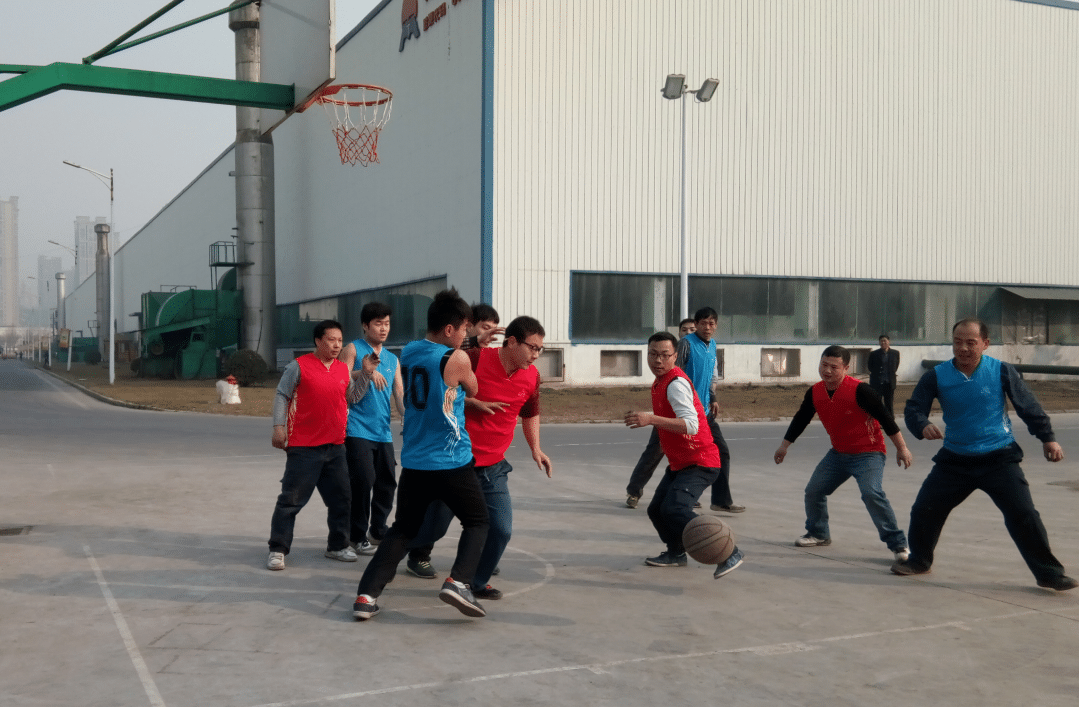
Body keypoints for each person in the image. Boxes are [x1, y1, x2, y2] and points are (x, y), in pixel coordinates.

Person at [893, 319, 1077, 591]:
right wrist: (922, 425)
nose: (963, 348)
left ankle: (1049, 574)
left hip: (999, 458)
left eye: (971, 342)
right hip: (955, 459)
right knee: (925, 510)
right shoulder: (937, 375)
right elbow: (913, 409)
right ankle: (919, 561)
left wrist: (1047, 438)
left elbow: (1028, 406)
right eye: (957, 342)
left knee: (1024, 514)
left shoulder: (1001, 370)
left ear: (985, 344)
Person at [352, 288, 491, 620]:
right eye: (463, 330)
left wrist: (471, 342)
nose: (465, 337)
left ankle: (366, 595)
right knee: (478, 521)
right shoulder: (456, 358)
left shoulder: (410, 350)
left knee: (402, 529)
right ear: (449, 329)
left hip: (416, 462)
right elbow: (474, 387)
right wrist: (470, 352)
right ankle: (459, 581)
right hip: (451, 459)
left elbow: (438, 360)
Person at [406, 316, 553, 599]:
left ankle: (475, 581)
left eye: (540, 349)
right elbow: (440, 390)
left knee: (501, 529)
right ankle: (409, 547)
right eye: (532, 348)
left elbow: (530, 413)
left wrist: (535, 448)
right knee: (434, 527)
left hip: (494, 466)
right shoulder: (475, 358)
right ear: (512, 342)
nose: (536, 355)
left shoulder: (532, 376)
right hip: (457, 462)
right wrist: (472, 403)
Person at [773, 346, 912, 561]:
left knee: (871, 493)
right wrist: (784, 446)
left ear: (846, 368)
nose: (827, 371)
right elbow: (801, 419)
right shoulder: (815, 392)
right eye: (824, 365)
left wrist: (902, 448)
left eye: (834, 367)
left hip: (869, 453)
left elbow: (886, 419)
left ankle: (899, 545)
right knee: (814, 491)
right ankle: (818, 533)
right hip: (838, 454)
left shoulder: (861, 391)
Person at [625, 332, 745, 579]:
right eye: (653, 354)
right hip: (681, 463)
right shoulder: (660, 382)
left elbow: (692, 425)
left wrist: (651, 419)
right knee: (656, 510)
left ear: (675, 356)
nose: (658, 360)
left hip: (700, 462)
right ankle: (676, 553)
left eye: (665, 355)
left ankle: (730, 552)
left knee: (675, 508)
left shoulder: (675, 384)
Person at [266, 320, 355, 571]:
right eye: (331, 340)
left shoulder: (342, 370)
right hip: (304, 447)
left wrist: (367, 375)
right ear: (318, 341)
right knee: (291, 501)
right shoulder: (299, 366)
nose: (337, 345)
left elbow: (351, 397)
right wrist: (278, 427)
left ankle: (338, 546)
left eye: (340, 340)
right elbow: (282, 395)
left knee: (341, 499)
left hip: (335, 446)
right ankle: (277, 549)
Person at [339, 302, 405, 555]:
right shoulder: (353, 349)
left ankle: (377, 530)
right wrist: (364, 373)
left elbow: (399, 393)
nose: (384, 328)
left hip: (382, 432)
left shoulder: (392, 359)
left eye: (387, 323)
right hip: (356, 428)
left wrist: (408, 416)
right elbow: (342, 384)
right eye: (378, 323)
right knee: (362, 482)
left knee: (387, 483)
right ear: (365, 326)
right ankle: (356, 536)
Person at [624, 315, 701, 509]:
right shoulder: (669, 368)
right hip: (671, 416)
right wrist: (651, 418)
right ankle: (635, 491)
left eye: (693, 330)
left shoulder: (706, 350)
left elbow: (709, 379)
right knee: (655, 453)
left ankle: (691, 493)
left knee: (703, 455)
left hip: (694, 414)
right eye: (685, 330)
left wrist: (711, 398)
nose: (658, 360)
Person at [868, 335, 900, 413]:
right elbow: (870, 367)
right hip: (877, 383)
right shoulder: (873, 354)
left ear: (889, 342)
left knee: (889, 405)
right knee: (876, 404)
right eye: (881, 341)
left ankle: (889, 420)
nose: (883, 342)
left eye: (884, 340)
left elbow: (895, 367)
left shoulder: (895, 353)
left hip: (889, 383)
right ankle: (877, 420)